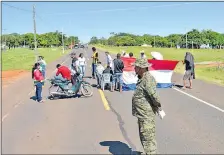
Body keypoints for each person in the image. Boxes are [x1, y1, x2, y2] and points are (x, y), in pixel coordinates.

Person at [132, 58, 162, 154]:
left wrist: (158, 107)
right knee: (144, 138)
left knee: (148, 140)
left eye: (136, 67)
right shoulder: (142, 78)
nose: (134, 68)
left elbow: (154, 96)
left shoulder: (147, 79)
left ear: (142, 68)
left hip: (146, 116)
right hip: (142, 114)